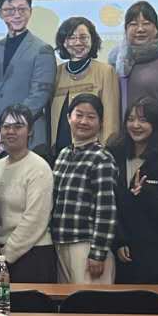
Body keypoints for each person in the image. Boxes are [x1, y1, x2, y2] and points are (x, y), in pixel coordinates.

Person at [108, 97, 158, 285]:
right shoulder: (115, 156)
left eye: (143, 120)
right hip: (125, 258)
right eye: (131, 119)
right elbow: (111, 204)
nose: (136, 125)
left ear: (155, 124)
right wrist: (119, 241)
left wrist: (148, 194)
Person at [49, 93, 119, 283]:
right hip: (61, 242)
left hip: (86, 245)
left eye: (91, 117)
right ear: (68, 118)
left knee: (89, 301)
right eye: (78, 115)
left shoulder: (102, 158)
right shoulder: (63, 154)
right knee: (65, 301)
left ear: (101, 123)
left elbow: (106, 209)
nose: (83, 121)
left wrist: (98, 252)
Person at [0, 0, 56, 154]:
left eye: (22, 9)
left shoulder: (42, 49)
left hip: (29, 139)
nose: (16, 15)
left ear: (30, 11)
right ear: (0, 13)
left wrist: (7, 129)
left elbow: (39, 96)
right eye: (9, 10)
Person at [0, 103, 55, 282]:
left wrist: (7, 254)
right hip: (0, 254)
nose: (11, 131)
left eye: (18, 127)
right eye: (6, 127)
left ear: (30, 131)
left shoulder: (39, 168)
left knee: (28, 302)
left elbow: (35, 218)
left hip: (33, 254)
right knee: (0, 301)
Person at [109, 0, 158, 144]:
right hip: (123, 142)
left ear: (156, 28)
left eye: (146, 23)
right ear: (125, 29)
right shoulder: (116, 61)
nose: (140, 29)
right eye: (133, 24)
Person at [50, 15, 122, 151]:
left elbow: (111, 119)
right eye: (71, 38)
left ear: (92, 41)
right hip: (59, 150)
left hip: (93, 150)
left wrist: (104, 149)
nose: (78, 43)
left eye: (83, 37)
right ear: (63, 42)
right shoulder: (56, 72)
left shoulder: (105, 71)